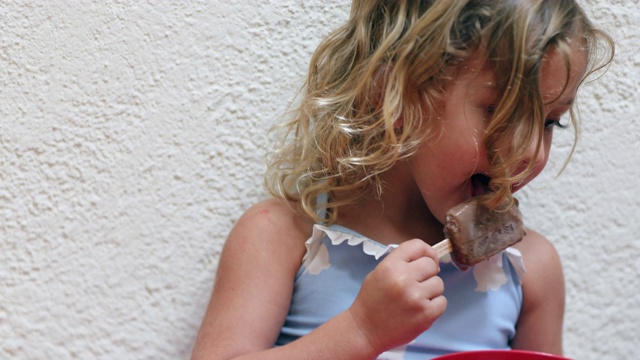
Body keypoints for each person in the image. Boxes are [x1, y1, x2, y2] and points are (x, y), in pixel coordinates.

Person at [192, 1, 614, 359]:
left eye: (549, 122)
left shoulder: (531, 270)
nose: (531, 153)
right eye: (499, 112)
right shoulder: (281, 238)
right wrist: (358, 332)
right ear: (394, 93)